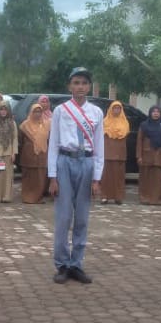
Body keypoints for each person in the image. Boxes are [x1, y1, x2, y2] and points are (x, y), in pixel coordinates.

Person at [48, 67, 104, 284]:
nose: (80, 87)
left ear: (89, 86)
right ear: (69, 86)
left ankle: (76, 264)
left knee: (82, 217)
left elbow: (99, 146)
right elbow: (53, 144)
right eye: (76, 83)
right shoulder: (61, 111)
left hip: (87, 163)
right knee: (63, 217)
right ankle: (62, 264)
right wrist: (52, 177)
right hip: (64, 162)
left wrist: (97, 178)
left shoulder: (97, 113)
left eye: (84, 83)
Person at [136, 105, 161, 205]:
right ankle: (144, 198)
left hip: (160, 156)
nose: (156, 113)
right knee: (145, 178)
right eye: (154, 112)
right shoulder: (144, 125)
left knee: (158, 179)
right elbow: (139, 141)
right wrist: (139, 156)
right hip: (146, 155)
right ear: (150, 113)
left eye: (157, 112)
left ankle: (157, 199)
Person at [19, 103, 50, 204]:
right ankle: (27, 197)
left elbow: (49, 139)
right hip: (28, 154)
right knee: (28, 177)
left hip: (42, 154)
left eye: (39, 111)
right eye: (35, 111)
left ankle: (38, 197)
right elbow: (20, 141)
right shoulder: (24, 125)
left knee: (40, 177)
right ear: (31, 112)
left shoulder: (46, 124)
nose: (37, 114)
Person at [100, 100, 129, 204]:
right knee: (106, 176)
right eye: (114, 108)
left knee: (119, 176)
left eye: (118, 108)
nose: (116, 110)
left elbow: (124, 136)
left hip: (119, 153)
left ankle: (118, 197)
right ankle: (104, 196)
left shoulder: (125, 122)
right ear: (110, 109)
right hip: (107, 152)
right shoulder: (105, 122)